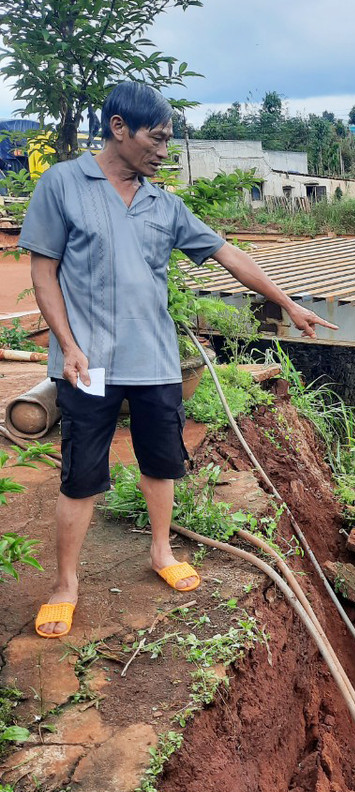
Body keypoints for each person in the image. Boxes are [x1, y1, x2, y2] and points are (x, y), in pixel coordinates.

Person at [19, 81, 336, 638]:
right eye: (157, 138)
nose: (165, 150)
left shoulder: (164, 204)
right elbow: (43, 270)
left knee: (161, 462)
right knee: (80, 475)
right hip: (86, 366)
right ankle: (65, 583)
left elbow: (228, 253)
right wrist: (68, 345)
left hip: (156, 362)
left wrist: (286, 302)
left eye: (169, 139)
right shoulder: (63, 183)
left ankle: (161, 553)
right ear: (119, 128)